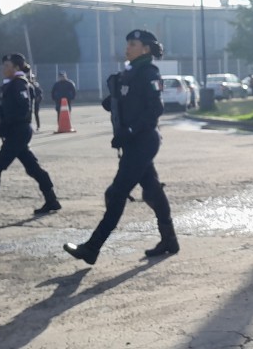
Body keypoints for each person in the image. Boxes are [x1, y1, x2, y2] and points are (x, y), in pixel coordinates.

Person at [63, 29, 179, 265]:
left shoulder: (148, 72)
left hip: (143, 141)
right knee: (153, 190)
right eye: (127, 43)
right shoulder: (130, 72)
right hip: (134, 142)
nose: (127, 47)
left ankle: (92, 248)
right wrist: (113, 100)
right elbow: (128, 101)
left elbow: (155, 109)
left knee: (116, 193)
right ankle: (169, 239)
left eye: (133, 44)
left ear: (145, 49)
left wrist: (129, 130)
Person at [0, 53, 61, 214]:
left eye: (7, 66)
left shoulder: (19, 83)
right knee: (32, 167)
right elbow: (6, 107)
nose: (4, 69)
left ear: (17, 68)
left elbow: (24, 108)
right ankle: (51, 200)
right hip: (16, 133)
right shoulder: (11, 84)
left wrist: (7, 123)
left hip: (18, 132)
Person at [24, 64, 43, 130]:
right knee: (28, 115)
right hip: (29, 101)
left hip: (36, 102)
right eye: (28, 78)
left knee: (36, 114)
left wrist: (38, 99)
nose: (30, 79)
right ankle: (29, 126)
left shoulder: (36, 85)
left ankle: (38, 126)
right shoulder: (26, 85)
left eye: (31, 78)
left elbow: (40, 93)